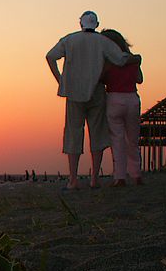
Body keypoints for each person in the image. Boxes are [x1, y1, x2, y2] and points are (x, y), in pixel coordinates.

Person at [47, 11, 141, 189]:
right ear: (96, 24)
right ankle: (94, 178)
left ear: (80, 23)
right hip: (96, 90)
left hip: (74, 92)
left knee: (74, 133)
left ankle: (73, 179)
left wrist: (61, 80)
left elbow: (50, 57)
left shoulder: (69, 40)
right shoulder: (102, 41)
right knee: (97, 133)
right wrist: (136, 59)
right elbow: (120, 59)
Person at [100, 29, 144, 187]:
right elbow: (139, 79)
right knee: (132, 139)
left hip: (114, 98)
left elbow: (101, 79)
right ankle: (136, 174)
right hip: (132, 98)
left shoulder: (108, 62)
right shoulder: (133, 60)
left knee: (117, 139)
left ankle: (120, 177)